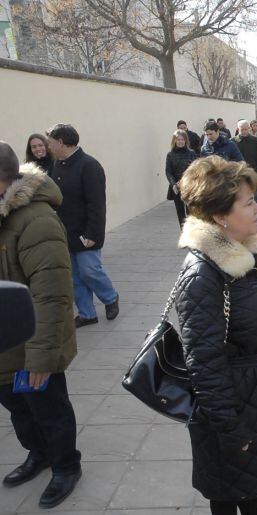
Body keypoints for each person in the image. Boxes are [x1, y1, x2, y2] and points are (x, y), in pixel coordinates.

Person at [176, 156, 257, 515]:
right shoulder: (204, 274)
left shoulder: (245, 251)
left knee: (252, 484)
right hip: (230, 403)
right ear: (220, 217)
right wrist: (229, 429)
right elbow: (204, 363)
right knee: (229, 489)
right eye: (248, 203)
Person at [0, 142, 82, 509]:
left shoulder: (36, 219)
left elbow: (52, 295)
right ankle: (39, 454)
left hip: (31, 345)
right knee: (18, 410)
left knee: (49, 408)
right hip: (4, 345)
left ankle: (66, 465)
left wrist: (41, 358)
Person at [46, 123, 119, 328]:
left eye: (51, 143)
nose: (49, 147)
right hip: (65, 231)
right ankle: (87, 313)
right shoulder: (58, 164)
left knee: (89, 271)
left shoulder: (89, 165)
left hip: (86, 232)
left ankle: (110, 297)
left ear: (61, 142)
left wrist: (92, 234)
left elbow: (96, 204)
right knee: (75, 277)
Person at [165, 129, 196, 228]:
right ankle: (184, 234)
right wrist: (173, 184)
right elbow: (168, 171)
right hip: (176, 188)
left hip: (189, 187)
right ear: (174, 141)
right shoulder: (170, 155)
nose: (180, 141)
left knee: (191, 212)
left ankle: (191, 233)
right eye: (178, 139)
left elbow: (195, 169)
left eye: (182, 139)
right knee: (180, 213)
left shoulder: (191, 153)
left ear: (186, 141)